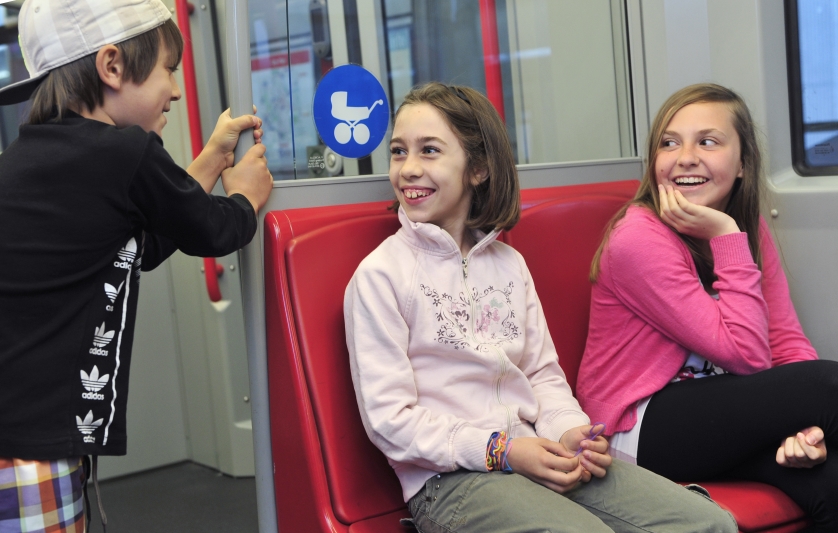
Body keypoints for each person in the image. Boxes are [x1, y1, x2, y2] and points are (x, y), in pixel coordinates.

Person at [344, 82, 736, 533]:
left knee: (709, 524)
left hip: (536, 450)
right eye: (398, 152)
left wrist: (570, 430)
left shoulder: (510, 265)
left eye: (429, 151)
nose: (409, 169)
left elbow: (543, 377)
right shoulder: (380, 276)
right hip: (449, 480)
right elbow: (390, 422)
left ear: (479, 169)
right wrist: (502, 450)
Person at [0, 0, 272, 531]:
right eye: (168, 70)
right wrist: (244, 198)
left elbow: (132, 248)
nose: (174, 89)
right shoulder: (126, 152)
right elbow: (213, 229)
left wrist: (210, 161)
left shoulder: (25, 159)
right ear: (113, 67)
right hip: (39, 447)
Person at [577, 83, 838, 532]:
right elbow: (748, 356)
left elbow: (785, 342)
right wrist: (725, 238)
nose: (685, 157)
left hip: (720, 414)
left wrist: (805, 429)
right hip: (638, 426)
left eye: (708, 141)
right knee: (828, 384)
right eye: (669, 142)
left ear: (743, 165)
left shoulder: (745, 227)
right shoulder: (638, 238)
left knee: (831, 481)